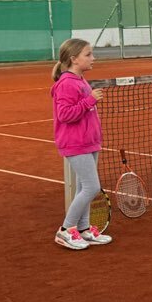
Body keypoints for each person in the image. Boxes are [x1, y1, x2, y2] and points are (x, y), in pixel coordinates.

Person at [51, 38, 112, 250]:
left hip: (89, 142)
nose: (93, 58)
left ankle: (84, 229)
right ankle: (66, 230)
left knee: (82, 186)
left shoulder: (81, 80)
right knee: (91, 187)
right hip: (75, 143)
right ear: (74, 59)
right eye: (88, 54)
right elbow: (65, 114)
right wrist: (89, 101)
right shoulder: (67, 83)